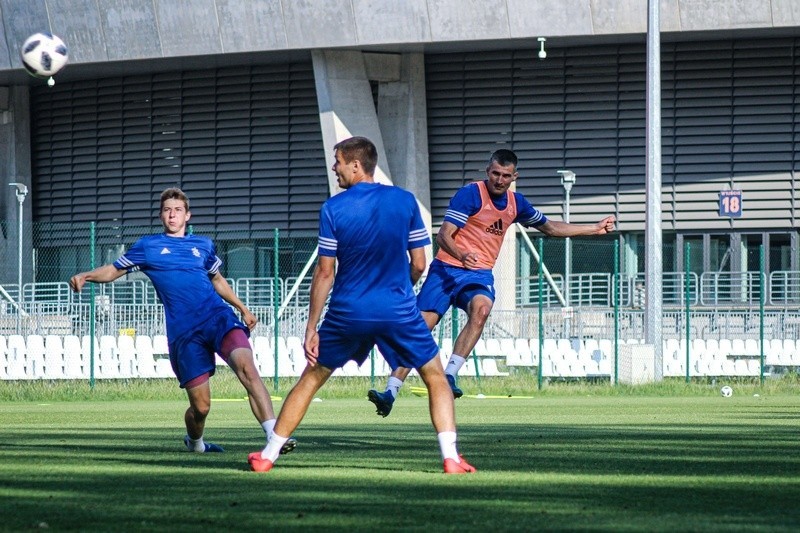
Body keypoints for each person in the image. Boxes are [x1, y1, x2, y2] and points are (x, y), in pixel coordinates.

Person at [248, 136, 475, 474]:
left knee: (312, 378)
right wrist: (399, 290)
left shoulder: (333, 208)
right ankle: (451, 459)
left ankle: (268, 455)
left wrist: (311, 327)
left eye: (337, 160)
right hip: (397, 309)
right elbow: (419, 263)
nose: (334, 167)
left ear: (356, 165)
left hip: (347, 312)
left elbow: (325, 272)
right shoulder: (405, 201)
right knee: (435, 377)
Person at [368, 149, 616, 416]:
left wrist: (594, 228)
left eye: (506, 175)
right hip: (445, 271)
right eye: (495, 173)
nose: (499, 179)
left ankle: (450, 375)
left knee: (482, 309)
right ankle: (390, 392)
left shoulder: (516, 204)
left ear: (514, 176)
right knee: (420, 329)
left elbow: (550, 228)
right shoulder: (470, 195)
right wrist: (462, 254)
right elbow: (444, 236)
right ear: (488, 171)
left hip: (478, 275)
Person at [69, 187, 296, 456]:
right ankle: (196, 443)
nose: (172, 214)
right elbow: (113, 270)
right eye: (167, 210)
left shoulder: (203, 245)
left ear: (187, 215)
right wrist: (86, 275)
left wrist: (242, 308)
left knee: (247, 368)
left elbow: (217, 279)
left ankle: (274, 436)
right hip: (184, 333)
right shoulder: (148, 247)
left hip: (217, 318)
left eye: (177, 210)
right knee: (201, 408)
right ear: (161, 215)